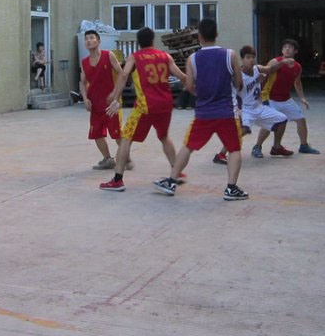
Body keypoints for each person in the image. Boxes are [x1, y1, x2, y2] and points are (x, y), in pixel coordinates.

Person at [151, 18, 247, 201]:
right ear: (216, 34)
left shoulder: (193, 58)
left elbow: (188, 86)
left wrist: (201, 95)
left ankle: (171, 182)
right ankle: (231, 189)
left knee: (188, 147)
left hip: (203, 113)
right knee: (234, 149)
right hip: (227, 112)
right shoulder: (230, 55)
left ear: (199, 36)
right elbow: (239, 82)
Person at [99, 27, 187, 191]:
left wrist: (116, 97)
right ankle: (177, 172)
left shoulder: (135, 57)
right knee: (164, 136)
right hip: (166, 105)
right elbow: (182, 77)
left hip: (145, 106)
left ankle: (117, 180)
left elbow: (123, 75)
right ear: (153, 40)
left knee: (126, 138)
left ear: (139, 42)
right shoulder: (165, 56)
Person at [212, 45, 293, 161]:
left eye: (253, 57)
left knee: (282, 119)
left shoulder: (257, 69)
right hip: (246, 109)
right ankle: (220, 154)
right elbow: (229, 92)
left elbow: (270, 69)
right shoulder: (238, 76)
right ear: (242, 59)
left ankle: (276, 147)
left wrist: (283, 62)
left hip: (259, 107)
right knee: (243, 130)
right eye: (248, 57)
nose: (251, 60)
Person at [262, 38, 320, 154]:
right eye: (285, 47)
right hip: (271, 99)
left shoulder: (298, 67)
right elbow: (263, 76)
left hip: (286, 99)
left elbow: (297, 82)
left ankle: (304, 146)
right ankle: (257, 147)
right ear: (282, 51)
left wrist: (302, 98)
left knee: (301, 120)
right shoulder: (275, 62)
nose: (287, 49)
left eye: (290, 47)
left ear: (296, 51)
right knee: (269, 124)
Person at [79, 30, 125, 170]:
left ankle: (126, 158)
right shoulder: (84, 62)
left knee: (116, 134)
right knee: (96, 133)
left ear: (98, 41)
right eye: (86, 39)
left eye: (91, 38)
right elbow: (82, 82)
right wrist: (85, 98)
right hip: (95, 104)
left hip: (111, 104)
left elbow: (122, 74)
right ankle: (108, 159)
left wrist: (115, 94)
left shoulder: (108, 55)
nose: (88, 40)